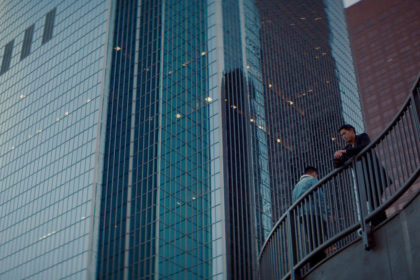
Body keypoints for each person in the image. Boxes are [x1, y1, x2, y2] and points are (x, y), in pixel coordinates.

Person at [333, 124, 388, 226]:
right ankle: (381, 221)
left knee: (374, 200)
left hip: (374, 175)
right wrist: (336, 158)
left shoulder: (363, 137)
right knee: (374, 201)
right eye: (342, 135)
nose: (343, 137)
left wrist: (344, 151)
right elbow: (339, 165)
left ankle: (377, 223)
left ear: (351, 130)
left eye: (344, 133)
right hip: (364, 180)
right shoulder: (348, 148)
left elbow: (364, 147)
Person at [293, 166, 329, 268]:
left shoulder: (296, 187)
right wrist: (327, 212)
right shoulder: (312, 180)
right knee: (318, 236)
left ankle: (313, 262)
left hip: (302, 215)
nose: (317, 177)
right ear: (314, 173)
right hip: (314, 212)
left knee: (311, 237)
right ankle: (320, 259)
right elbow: (320, 196)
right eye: (316, 175)